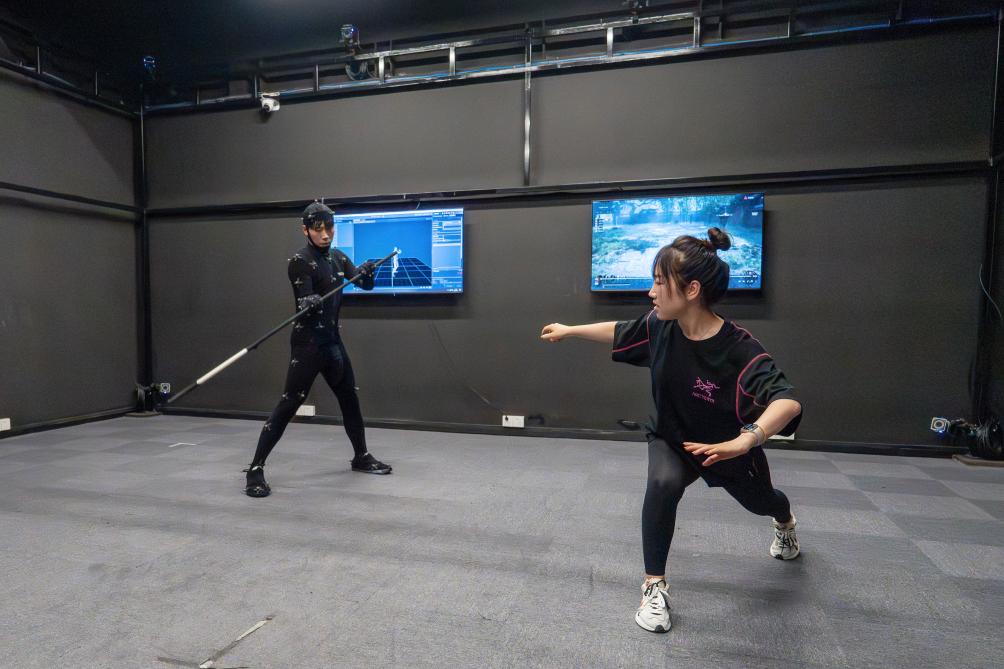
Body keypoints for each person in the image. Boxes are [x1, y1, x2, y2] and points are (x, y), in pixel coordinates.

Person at [540, 227, 802, 633]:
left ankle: (785, 523)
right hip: (672, 436)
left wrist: (745, 440)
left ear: (692, 289)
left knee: (762, 501)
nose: (651, 292)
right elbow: (619, 330)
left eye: (660, 282)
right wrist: (570, 330)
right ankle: (654, 586)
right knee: (662, 484)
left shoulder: (739, 348)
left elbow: (787, 401)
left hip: (725, 446)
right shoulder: (659, 325)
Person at [245, 202, 392, 498]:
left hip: (333, 343)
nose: (325, 234)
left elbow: (365, 285)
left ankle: (361, 456)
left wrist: (367, 272)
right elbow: (304, 297)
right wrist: (308, 300)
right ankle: (255, 470)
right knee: (289, 403)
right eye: (318, 229)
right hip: (308, 344)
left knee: (349, 399)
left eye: (329, 228)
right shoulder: (299, 261)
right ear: (306, 230)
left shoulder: (338, 257)